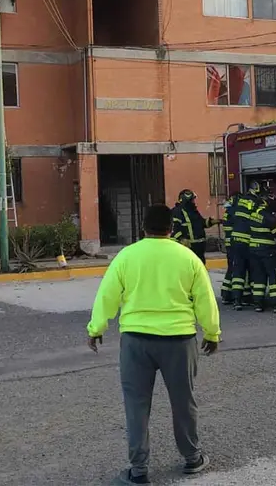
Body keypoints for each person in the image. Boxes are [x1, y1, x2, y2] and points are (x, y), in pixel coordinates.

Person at [87, 204, 221, 485]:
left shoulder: (127, 256)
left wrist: (96, 328)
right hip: (179, 342)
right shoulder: (188, 258)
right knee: (184, 402)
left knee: (136, 405)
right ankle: (192, 458)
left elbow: (107, 295)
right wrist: (212, 333)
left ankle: (138, 471)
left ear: (142, 228)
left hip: (136, 342)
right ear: (171, 229)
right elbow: (205, 299)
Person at [248, 193, 276, 314]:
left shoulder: (253, 215)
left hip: (254, 251)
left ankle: (258, 304)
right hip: (268, 252)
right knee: (274, 277)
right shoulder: (270, 218)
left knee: (259, 278)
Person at [229, 181, 263, 311]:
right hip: (248, 240)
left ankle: (237, 300)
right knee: (253, 269)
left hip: (235, 239)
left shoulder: (241, 200)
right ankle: (256, 300)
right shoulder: (257, 202)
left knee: (238, 270)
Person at [171, 189, 218, 264]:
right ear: (186, 199)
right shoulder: (177, 211)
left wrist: (211, 222)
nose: (194, 202)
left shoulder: (193, 211)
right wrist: (181, 239)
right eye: (192, 200)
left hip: (199, 248)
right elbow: (174, 229)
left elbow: (201, 223)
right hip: (188, 248)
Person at [219, 192, 240, 305]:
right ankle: (235, 295)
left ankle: (226, 293)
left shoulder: (228, 212)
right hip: (234, 244)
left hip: (229, 245)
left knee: (231, 269)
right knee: (235, 269)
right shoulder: (234, 213)